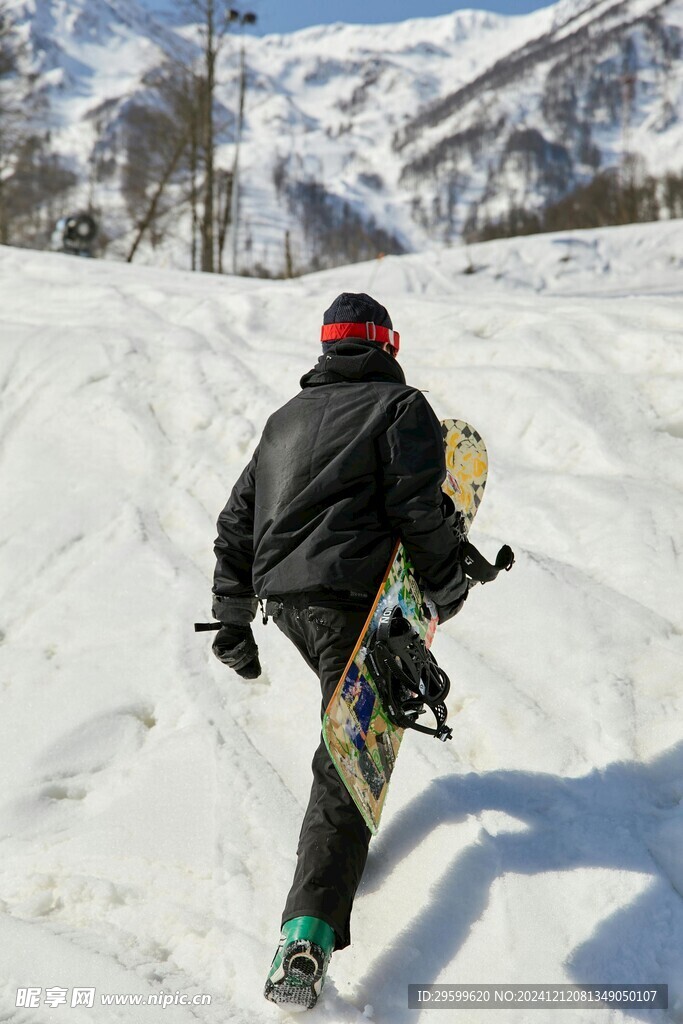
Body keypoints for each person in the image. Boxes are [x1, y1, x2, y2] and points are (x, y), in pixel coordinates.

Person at [210, 292, 469, 1009]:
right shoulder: (400, 408)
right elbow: (418, 507)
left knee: (346, 740)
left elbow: (235, 524)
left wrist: (231, 619)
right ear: (387, 344)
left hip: (287, 604)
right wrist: (445, 584)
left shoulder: (282, 421)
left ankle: (318, 903)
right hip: (354, 601)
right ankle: (305, 936)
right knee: (349, 761)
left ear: (326, 348)